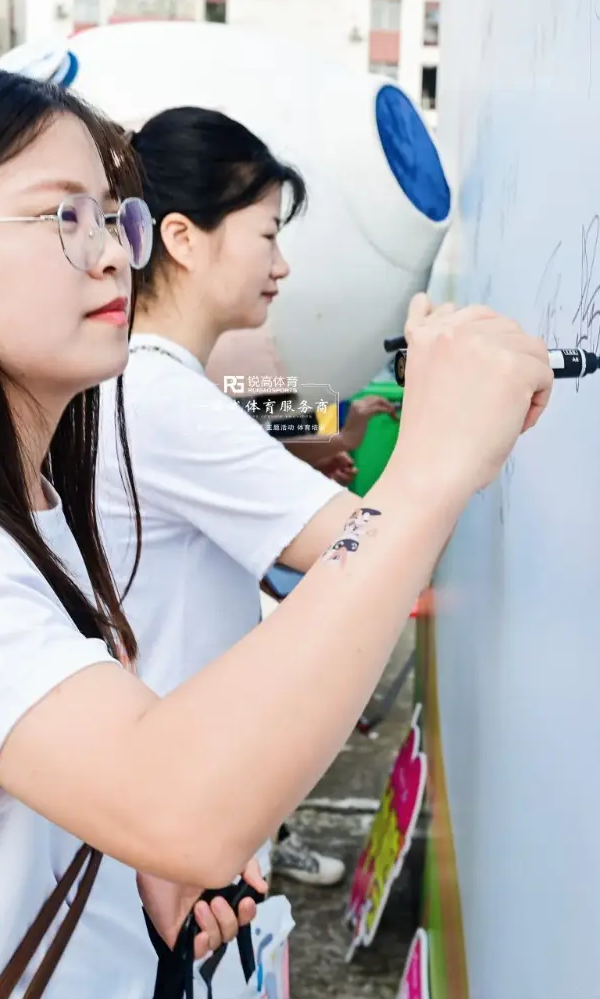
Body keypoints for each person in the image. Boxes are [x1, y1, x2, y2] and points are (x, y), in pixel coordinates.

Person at [0, 66, 552, 994]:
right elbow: (178, 802)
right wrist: (427, 466)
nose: (113, 254)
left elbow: (72, 769)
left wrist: (120, 852)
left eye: (113, 217)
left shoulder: (15, 484)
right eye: (64, 217)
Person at [94, 107, 394, 890]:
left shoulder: (132, 376)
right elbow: (375, 548)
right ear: (184, 238)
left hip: (153, 792)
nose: (281, 265)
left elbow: (256, 427)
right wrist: (449, 428)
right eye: (267, 234)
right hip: (175, 815)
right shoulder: (163, 394)